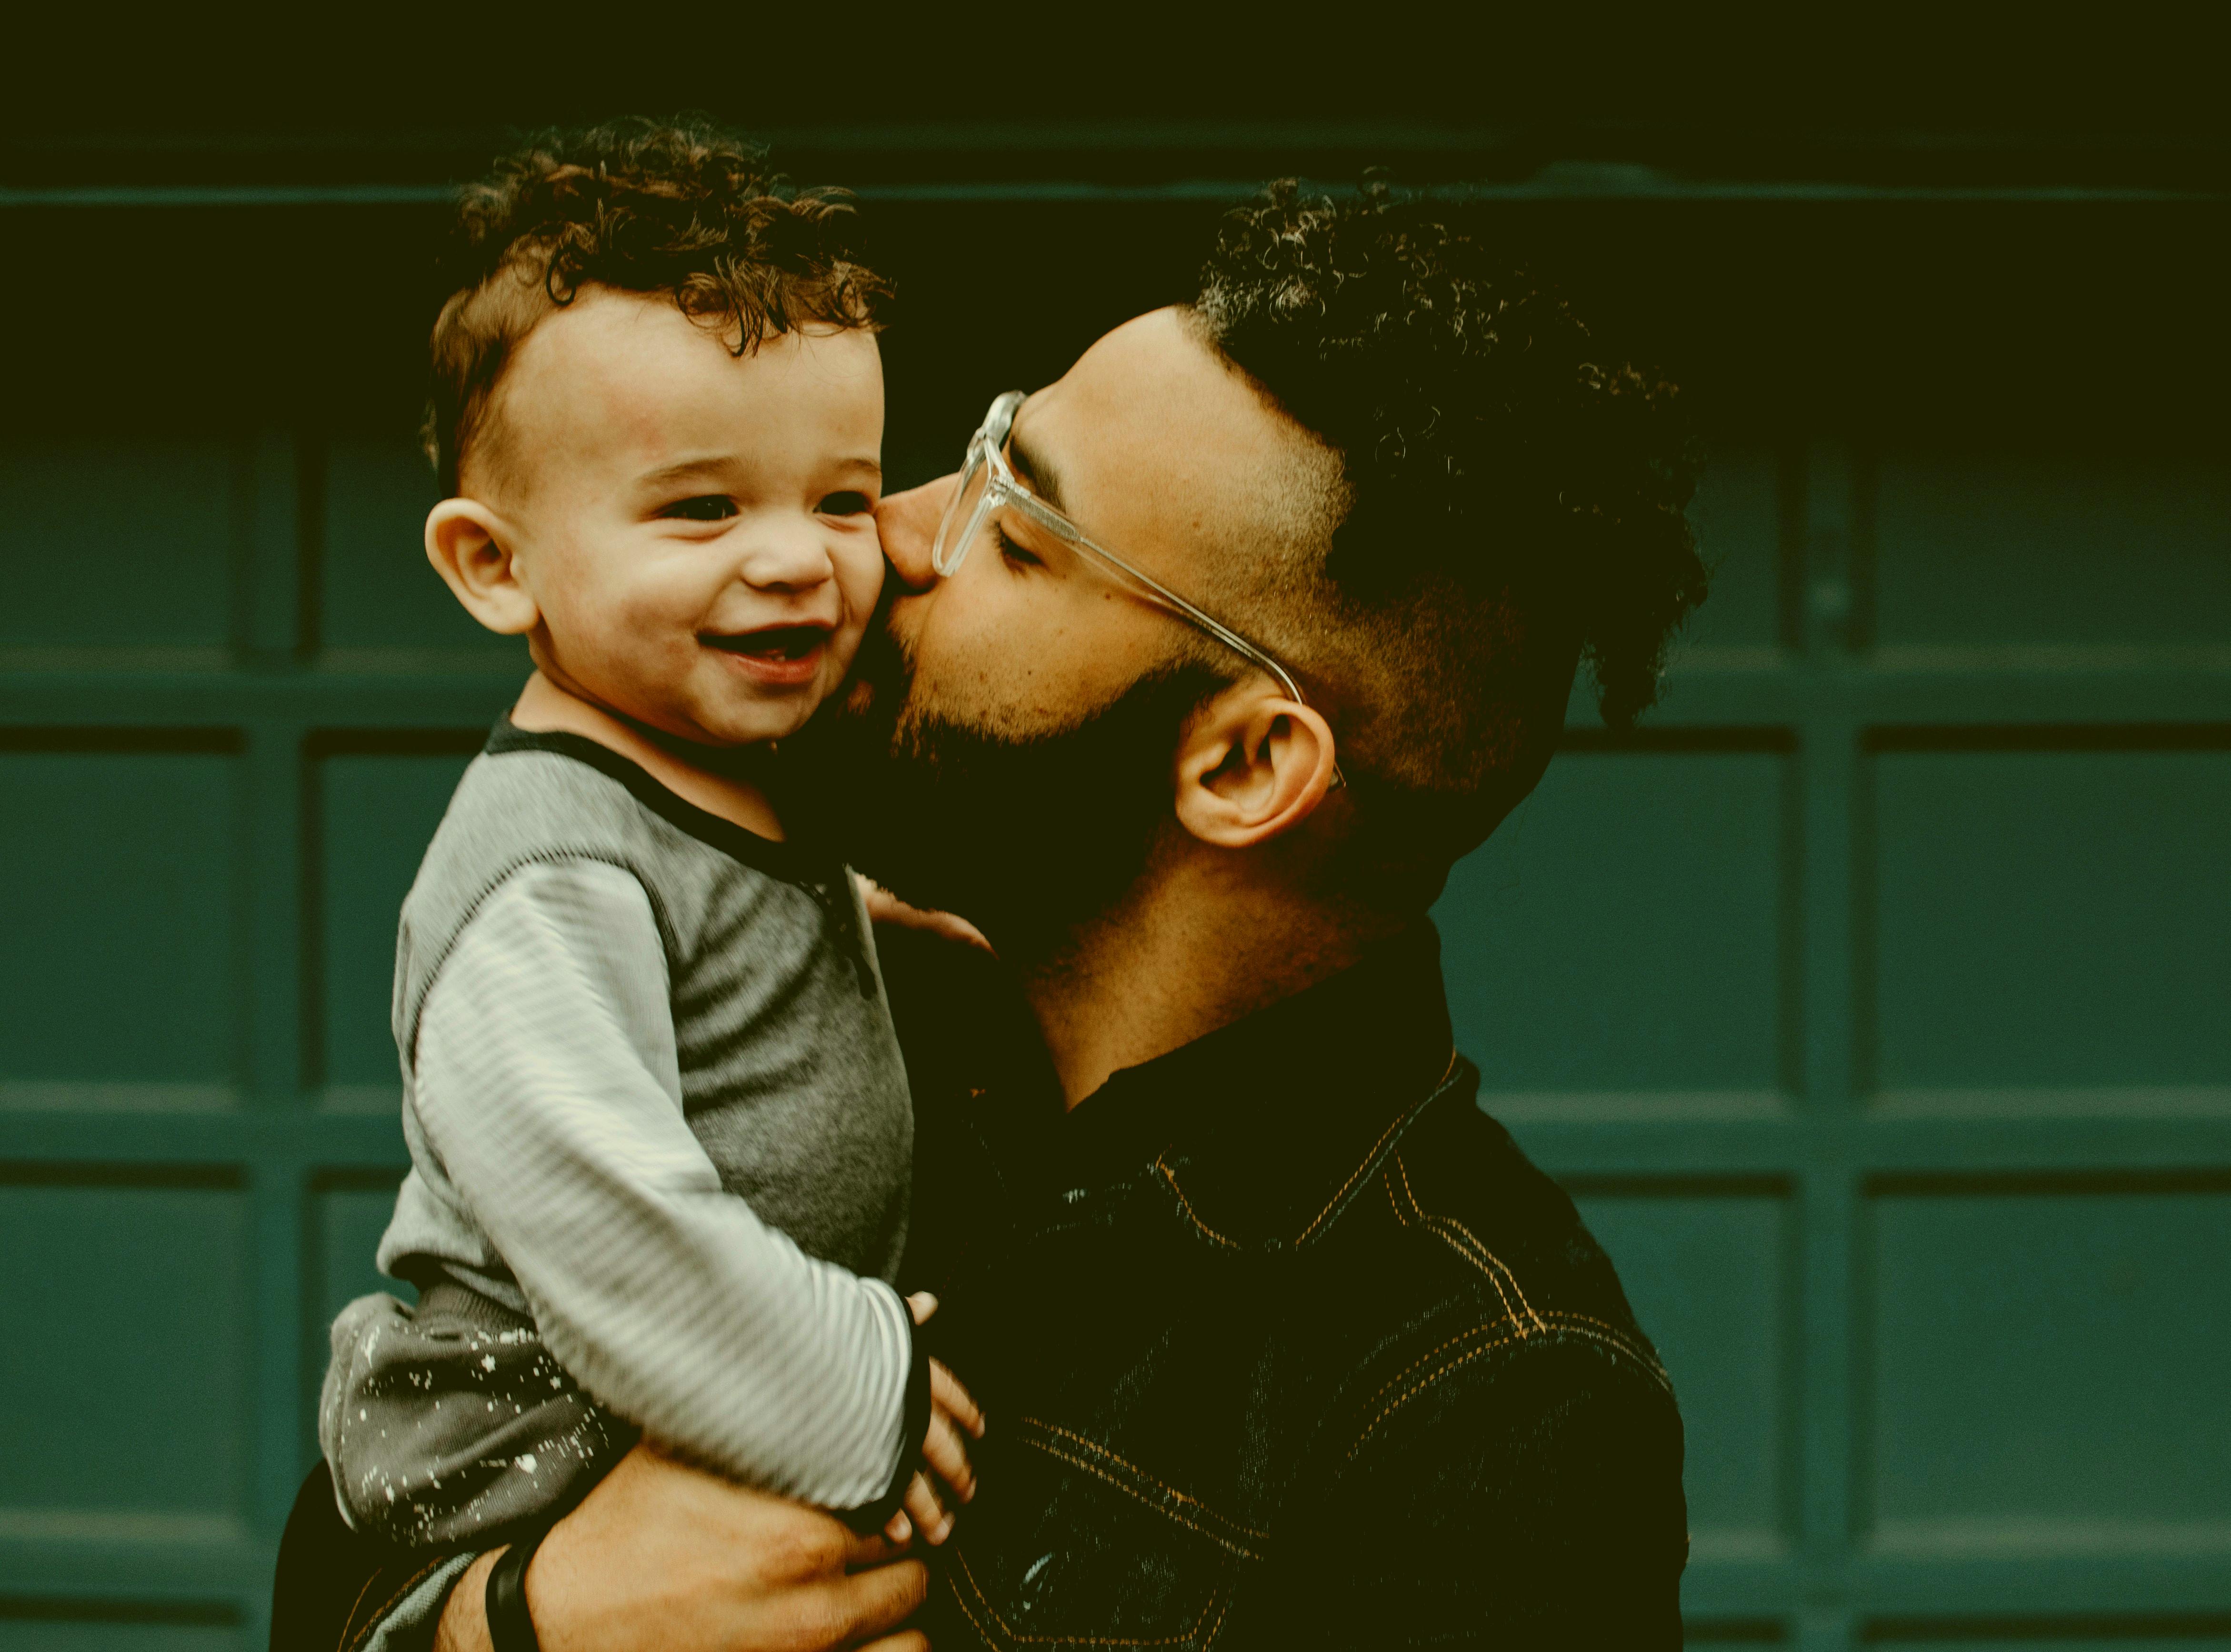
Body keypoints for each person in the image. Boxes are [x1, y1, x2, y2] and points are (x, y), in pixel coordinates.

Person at [274, 176, 1708, 1651]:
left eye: (1016, 535)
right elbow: (358, 1530)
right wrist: (518, 1624)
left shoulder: (1491, 1407)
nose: (881, 540)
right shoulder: (815, 1044)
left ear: (1243, 761)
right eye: (969, 465)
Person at [310, 114, 980, 1594]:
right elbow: (607, 1218)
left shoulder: (721, 773)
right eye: (702, 508)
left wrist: (890, 940)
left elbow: (738, 948)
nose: (798, 557)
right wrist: (848, 1384)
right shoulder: (548, 874)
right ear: (498, 565)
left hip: (677, 1407)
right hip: (530, 1442)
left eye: (844, 499)